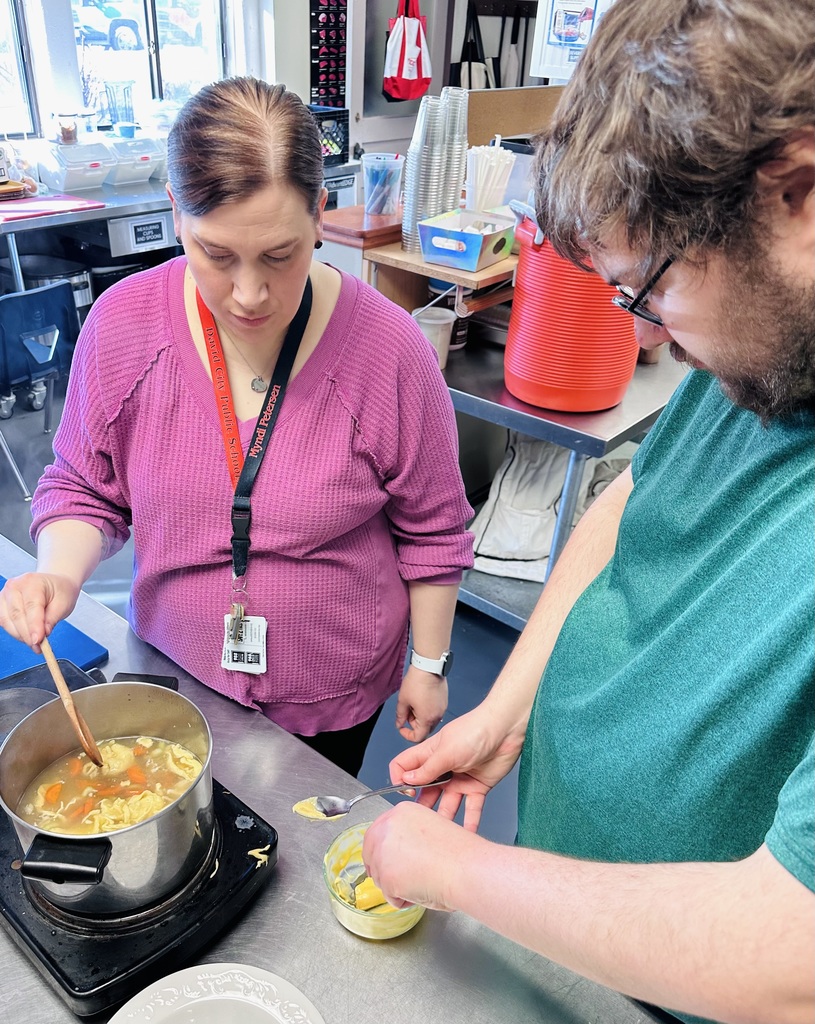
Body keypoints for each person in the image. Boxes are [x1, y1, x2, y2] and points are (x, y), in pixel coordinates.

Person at [363, 2, 815, 1022]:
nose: (649, 340)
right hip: (566, 928)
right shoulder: (765, 353)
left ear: (795, 190)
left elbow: (793, 954)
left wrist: (454, 873)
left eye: (647, 289)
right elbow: (629, 503)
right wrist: (508, 710)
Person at [0, 77, 473, 778]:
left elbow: (433, 529)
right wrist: (58, 576)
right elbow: (83, 485)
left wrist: (428, 665)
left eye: (280, 256)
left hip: (334, 687)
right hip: (174, 671)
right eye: (217, 256)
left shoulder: (389, 351)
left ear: (319, 213)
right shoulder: (124, 327)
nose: (249, 295)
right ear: (176, 213)